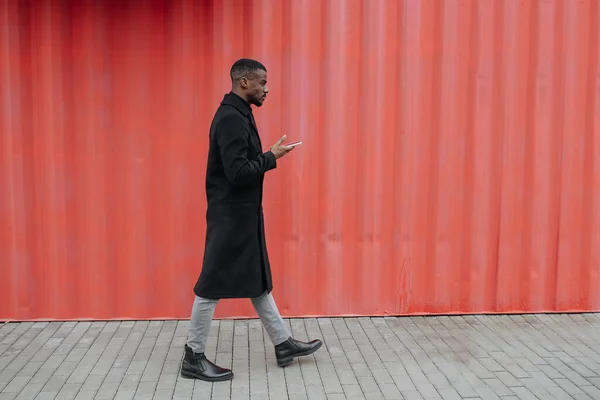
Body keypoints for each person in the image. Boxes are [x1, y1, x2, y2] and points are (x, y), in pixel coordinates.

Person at [180, 58, 323, 382]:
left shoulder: (239, 113)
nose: (266, 88)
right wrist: (271, 157)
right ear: (244, 82)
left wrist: (268, 154)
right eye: (262, 82)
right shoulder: (231, 118)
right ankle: (193, 356)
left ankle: (283, 344)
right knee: (210, 286)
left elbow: (241, 166)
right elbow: (237, 172)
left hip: (241, 215)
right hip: (230, 217)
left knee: (258, 281)